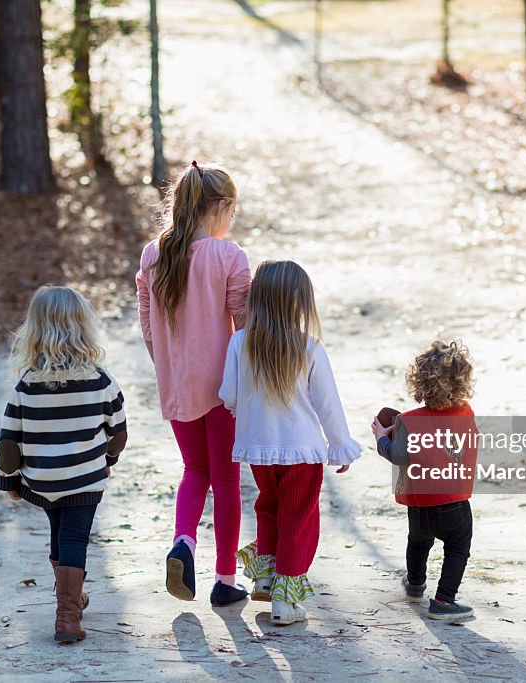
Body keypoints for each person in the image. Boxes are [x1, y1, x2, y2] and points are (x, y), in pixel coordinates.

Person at [220, 260, 362, 626]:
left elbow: (228, 395)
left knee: (268, 509)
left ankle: (266, 577)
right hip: (302, 451)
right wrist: (340, 445)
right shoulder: (309, 347)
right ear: (300, 304)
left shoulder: (240, 343)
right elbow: (327, 404)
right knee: (298, 519)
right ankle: (284, 602)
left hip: (259, 449)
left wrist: (249, 414)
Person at [135, 161, 251, 606]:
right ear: (219, 207)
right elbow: (243, 326)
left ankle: (183, 540)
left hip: (176, 383)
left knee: (193, 470)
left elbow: (147, 325)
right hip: (223, 387)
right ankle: (225, 580)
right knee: (225, 477)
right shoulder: (229, 257)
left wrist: (168, 363)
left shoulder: (153, 254)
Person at [0, 286, 128, 643]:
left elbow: (9, 440)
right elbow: (118, 429)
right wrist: (109, 461)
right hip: (85, 479)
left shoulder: (26, 385)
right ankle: (67, 615)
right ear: (83, 325)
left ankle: (71, 599)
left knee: (60, 535)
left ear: (35, 330)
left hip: (43, 480)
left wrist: (9, 482)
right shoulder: (100, 380)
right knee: (73, 538)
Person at [370, 341, 479, 620]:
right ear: (463, 381)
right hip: (454, 502)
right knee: (457, 548)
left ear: (419, 383)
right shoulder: (466, 413)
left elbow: (397, 455)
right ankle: (443, 601)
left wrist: (382, 437)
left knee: (418, 542)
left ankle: (416, 584)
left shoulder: (408, 420)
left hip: (420, 503)